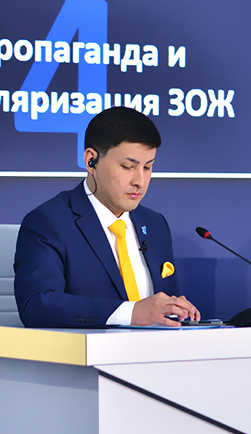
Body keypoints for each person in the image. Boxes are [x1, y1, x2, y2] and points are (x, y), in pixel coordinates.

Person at [14, 106, 201, 328]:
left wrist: (177, 311)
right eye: (128, 167)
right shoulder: (49, 222)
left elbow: (163, 307)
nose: (139, 181)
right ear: (91, 161)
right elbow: (37, 305)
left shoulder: (155, 224)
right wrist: (131, 313)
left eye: (148, 167)